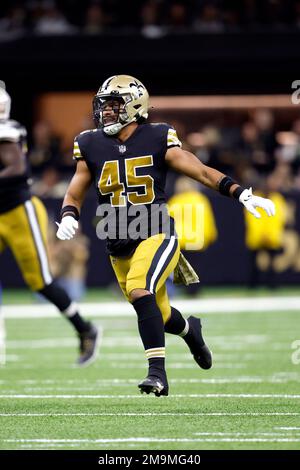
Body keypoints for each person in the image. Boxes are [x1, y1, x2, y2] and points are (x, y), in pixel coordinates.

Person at [56, 75, 275, 396]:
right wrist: (67, 216)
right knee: (158, 313)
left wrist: (241, 194)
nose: (106, 112)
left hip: (155, 229)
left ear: (135, 107)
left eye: (114, 106)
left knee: (139, 290)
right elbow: (75, 192)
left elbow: (199, 171)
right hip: (117, 237)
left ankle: (157, 374)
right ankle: (191, 332)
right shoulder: (90, 143)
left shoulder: (156, 137)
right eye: (104, 106)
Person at [0, 81, 98, 366]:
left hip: (18, 212)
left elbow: (18, 168)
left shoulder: (9, 129)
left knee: (40, 281)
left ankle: (85, 328)